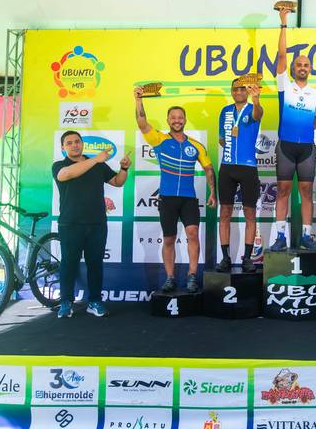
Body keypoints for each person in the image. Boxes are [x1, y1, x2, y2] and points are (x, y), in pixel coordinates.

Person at [134, 87, 216, 293]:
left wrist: (213, 192)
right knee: (169, 239)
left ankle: (191, 276)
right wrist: (138, 100)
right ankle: (170, 277)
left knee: (193, 234)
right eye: (173, 117)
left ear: (185, 120)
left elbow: (208, 168)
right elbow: (142, 122)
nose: (177, 120)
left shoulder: (196, 146)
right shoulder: (159, 139)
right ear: (168, 120)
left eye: (180, 117)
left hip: (188, 199)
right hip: (168, 198)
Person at [52, 130, 130, 318]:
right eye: (69, 143)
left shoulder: (98, 165)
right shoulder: (60, 165)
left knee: (95, 263)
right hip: (70, 224)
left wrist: (124, 169)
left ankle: (94, 301)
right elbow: (66, 175)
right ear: (63, 147)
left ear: (82, 144)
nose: (74, 145)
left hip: (97, 223)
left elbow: (117, 182)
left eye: (77, 141)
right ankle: (66, 302)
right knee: (69, 263)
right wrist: (96, 159)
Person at [270, 5, 316, 251]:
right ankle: (280, 237)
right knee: (282, 190)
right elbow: (281, 56)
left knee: (306, 192)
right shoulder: (285, 86)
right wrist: (283, 24)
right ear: (293, 69)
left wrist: (303, 130)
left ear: (310, 70)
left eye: (306, 65)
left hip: (306, 148)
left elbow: (315, 122)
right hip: (286, 146)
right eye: (299, 64)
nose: (302, 67)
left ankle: (306, 237)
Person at [216, 79, 264, 273]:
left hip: (248, 168)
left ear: (247, 92)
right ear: (231, 91)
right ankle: (225, 258)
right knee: (224, 212)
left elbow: (258, 114)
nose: (238, 92)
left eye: (242, 89)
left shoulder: (253, 109)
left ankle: (247, 258)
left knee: (250, 214)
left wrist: (256, 99)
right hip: (227, 167)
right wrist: (232, 145)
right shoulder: (225, 111)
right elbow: (221, 138)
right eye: (235, 89)